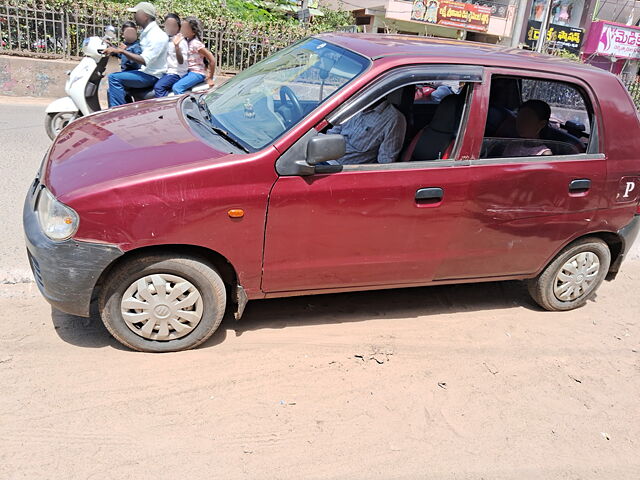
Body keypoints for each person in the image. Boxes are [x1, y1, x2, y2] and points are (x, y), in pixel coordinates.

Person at [103, 2, 168, 107]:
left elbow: (144, 60)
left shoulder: (157, 35)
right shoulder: (148, 32)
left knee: (114, 78)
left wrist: (122, 51)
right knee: (112, 90)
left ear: (145, 16)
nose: (134, 16)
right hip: (146, 72)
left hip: (152, 76)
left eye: (136, 13)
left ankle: (116, 113)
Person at [326, 98, 406, 165]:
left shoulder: (393, 118)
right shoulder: (355, 105)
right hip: (327, 153)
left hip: (342, 167)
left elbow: (385, 161)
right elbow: (334, 131)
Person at [171, 16, 216, 95]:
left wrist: (210, 77)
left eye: (185, 28)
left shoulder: (195, 44)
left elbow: (211, 58)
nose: (182, 30)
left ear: (193, 32)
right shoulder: (187, 41)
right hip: (189, 72)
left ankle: (181, 105)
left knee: (177, 87)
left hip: (196, 73)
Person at [154, 13, 188, 97]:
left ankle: (165, 107)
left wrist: (177, 47)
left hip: (176, 73)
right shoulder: (166, 39)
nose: (170, 28)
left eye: (173, 25)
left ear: (178, 27)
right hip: (166, 71)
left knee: (159, 87)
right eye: (167, 25)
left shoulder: (181, 41)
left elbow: (181, 61)